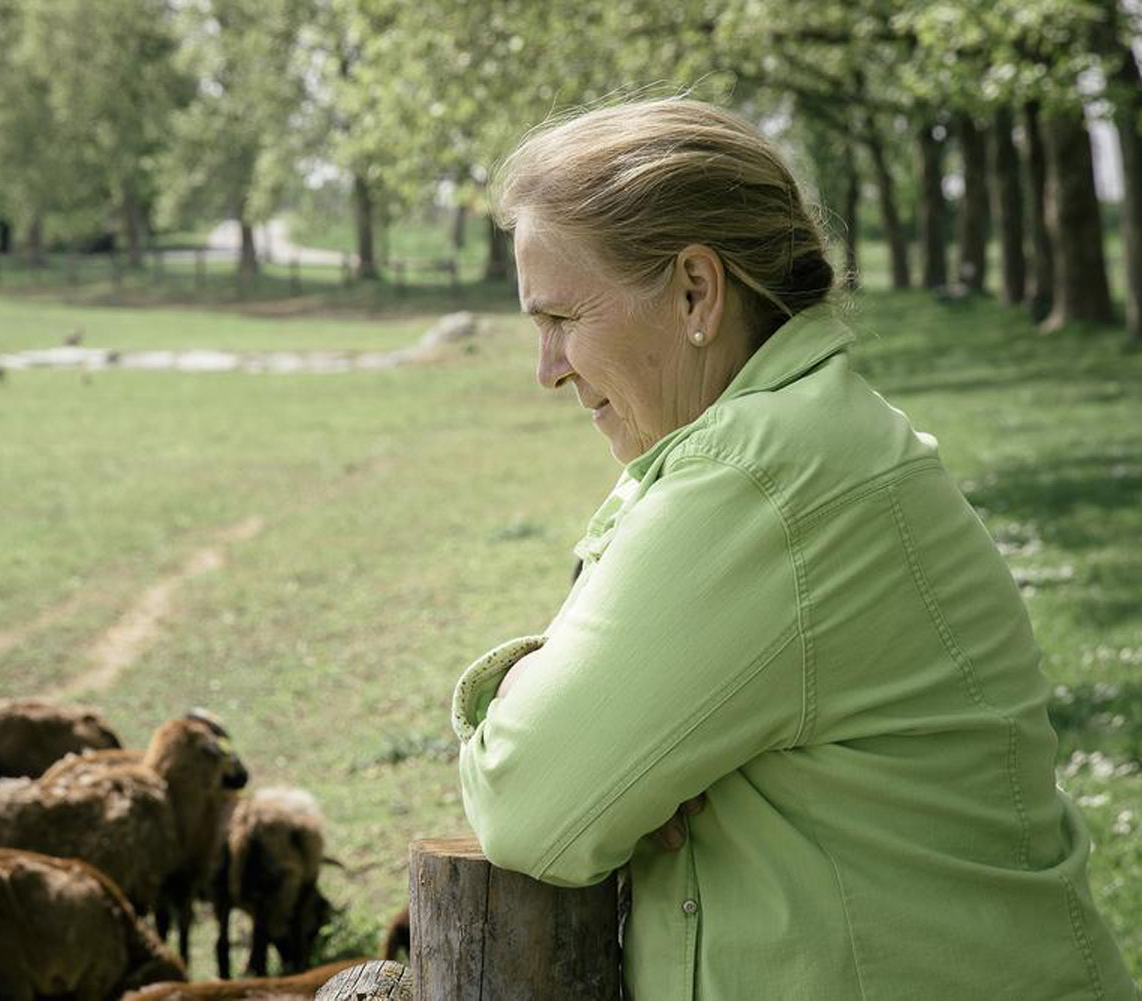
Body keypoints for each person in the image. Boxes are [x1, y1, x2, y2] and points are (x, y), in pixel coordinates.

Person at [450, 97, 1137, 1000]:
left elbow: (527, 798)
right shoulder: (785, 439)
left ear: (697, 290)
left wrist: (538, 714)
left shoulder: (761, 475)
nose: (547, 369)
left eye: (561, 319)